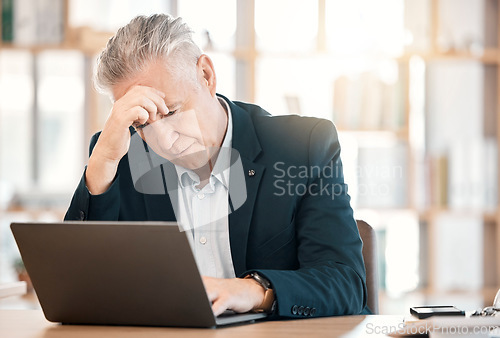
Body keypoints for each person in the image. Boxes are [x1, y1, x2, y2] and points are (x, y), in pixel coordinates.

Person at [65, 14, 368, 318]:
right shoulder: (118, 155)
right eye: (142, 123)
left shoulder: (303, 146)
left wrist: (254, 291)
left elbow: (345, 283)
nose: (164, 141)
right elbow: (73, 290)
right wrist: (102, 163)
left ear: (206, 76)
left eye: (171, 112)